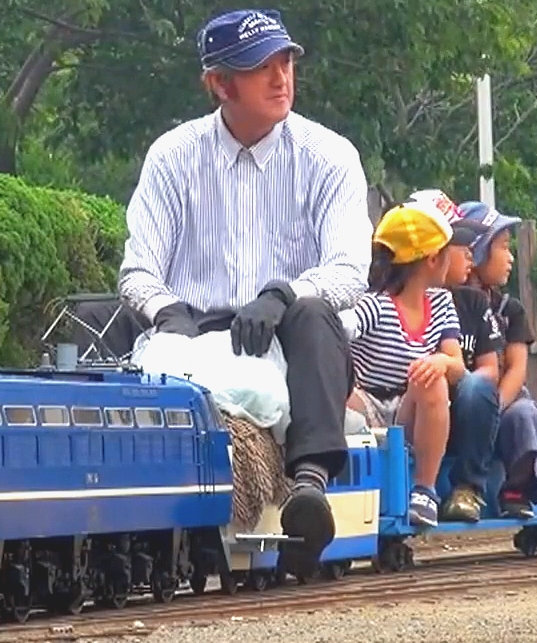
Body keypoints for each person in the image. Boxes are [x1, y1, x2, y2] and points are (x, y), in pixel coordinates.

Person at [68, 9, 374, 578]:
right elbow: (137, 271)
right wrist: (168, 312)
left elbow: (352, 270)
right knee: (96, 316)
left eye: (285, 61)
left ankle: (309, 484)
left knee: (312, 313)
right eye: (261, 67)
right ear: (219, 83)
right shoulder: (172, 156)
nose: (281, 77)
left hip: (297, 336)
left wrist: (282, 293)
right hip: (197, 335)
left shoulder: (330, 155)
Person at [341, 201, 471, 527]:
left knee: (434, 378)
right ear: (432, 258)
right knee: (339, 391)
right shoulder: (375, 305)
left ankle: (424, 489)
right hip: (366, 401)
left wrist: (440, 361)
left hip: (409, 404)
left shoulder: (441, 303)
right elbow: (339, 333)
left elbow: (458, 365)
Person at [408, 189, 502, 522]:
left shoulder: (465, 302)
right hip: (406, 411)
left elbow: (484, 370)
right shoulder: (382, 301)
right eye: (459, 248)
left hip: (460, 410)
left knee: (477, 386)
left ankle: (468, 487)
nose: (469, 257)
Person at [457, 201, 537, 519]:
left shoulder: (509, 310)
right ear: (476, 251)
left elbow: (517, 369)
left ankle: (517, 488)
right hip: (457, 404)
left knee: (525, 412)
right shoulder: (444, 303)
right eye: (502, 247)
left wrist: (493, 409)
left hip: (502, 401)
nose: (510, 258)